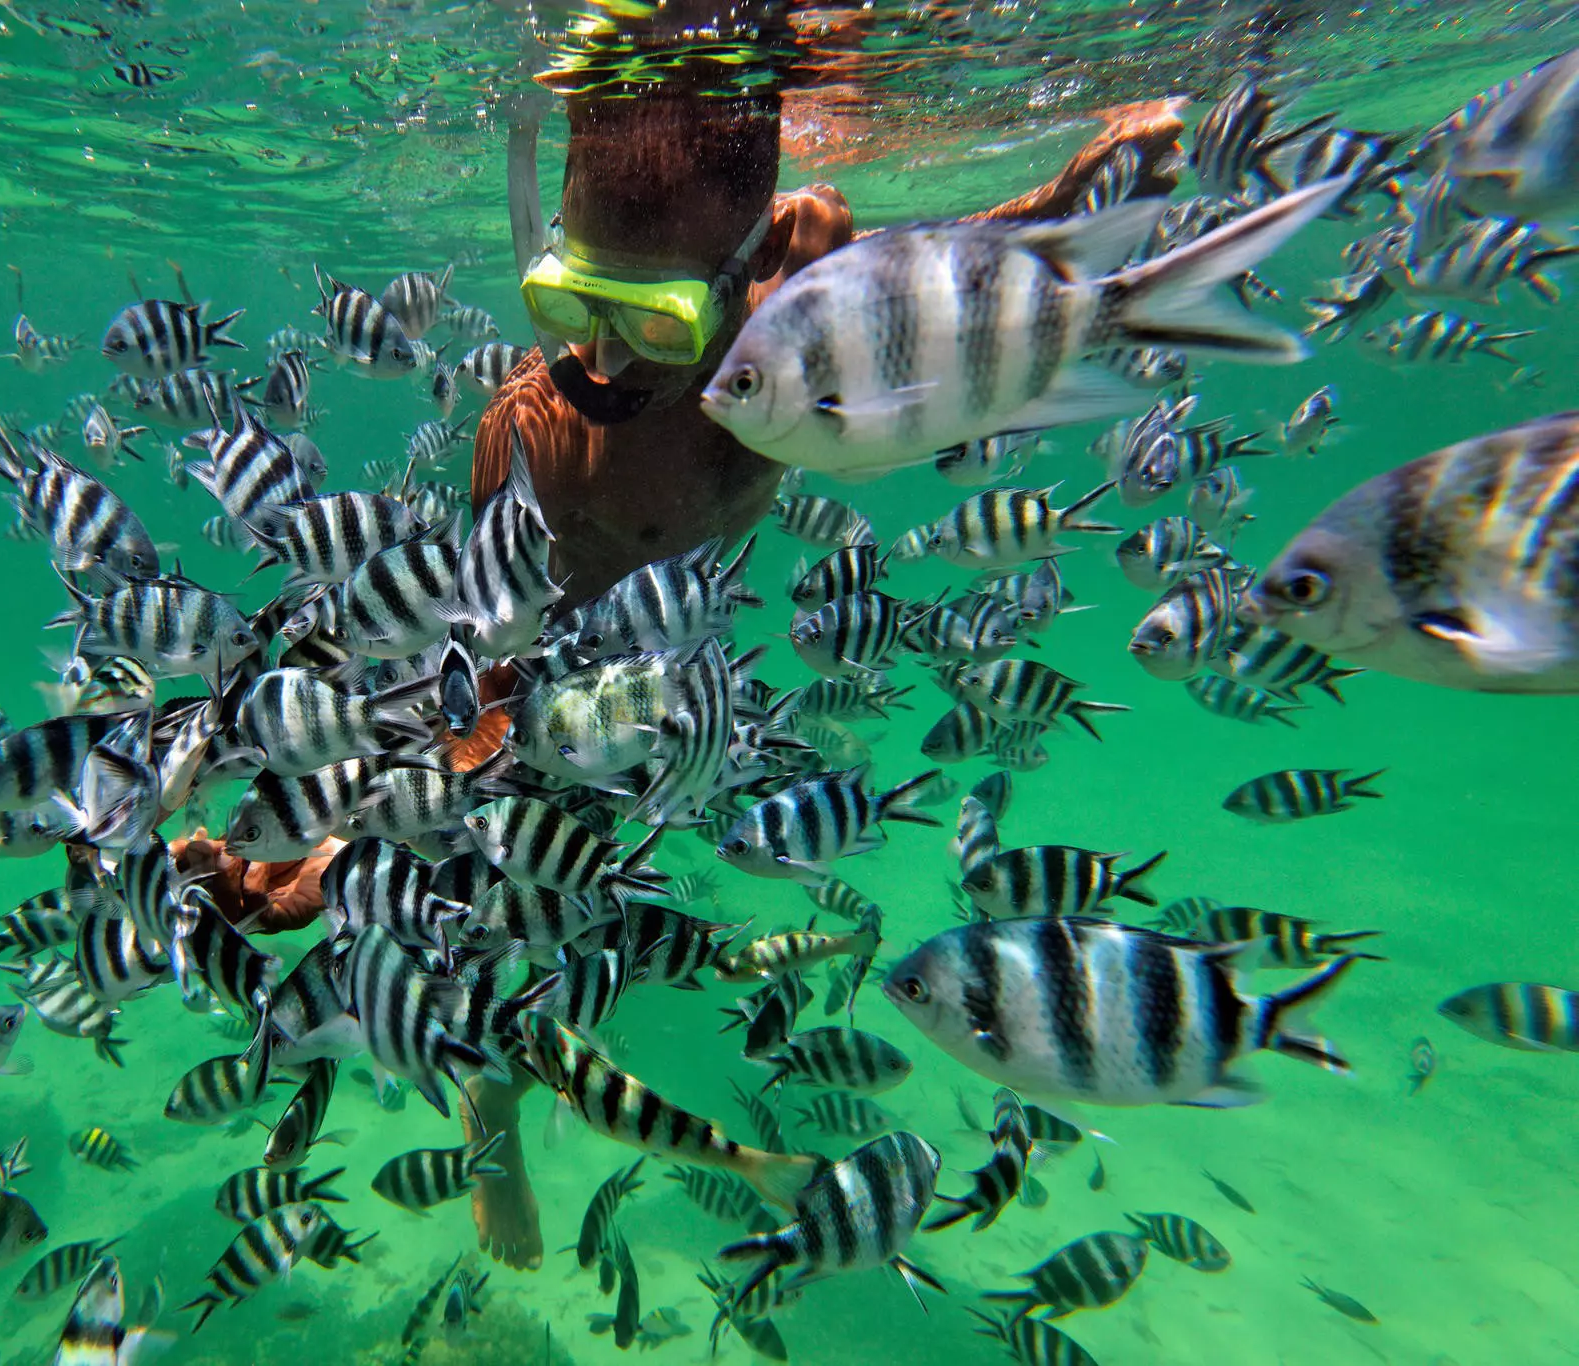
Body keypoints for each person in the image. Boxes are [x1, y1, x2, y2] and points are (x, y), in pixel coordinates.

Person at [455, 83, 1185, 1270]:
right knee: (502, 898)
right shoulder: (533, 428)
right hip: (550, 697)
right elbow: (464, 665)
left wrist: (1068, 204)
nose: (599, 356)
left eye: (657, 319)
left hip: (686, 685)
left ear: (750, 283)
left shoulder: (794, 326)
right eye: (575, 299)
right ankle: (491, 1118)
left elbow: (941, 294)